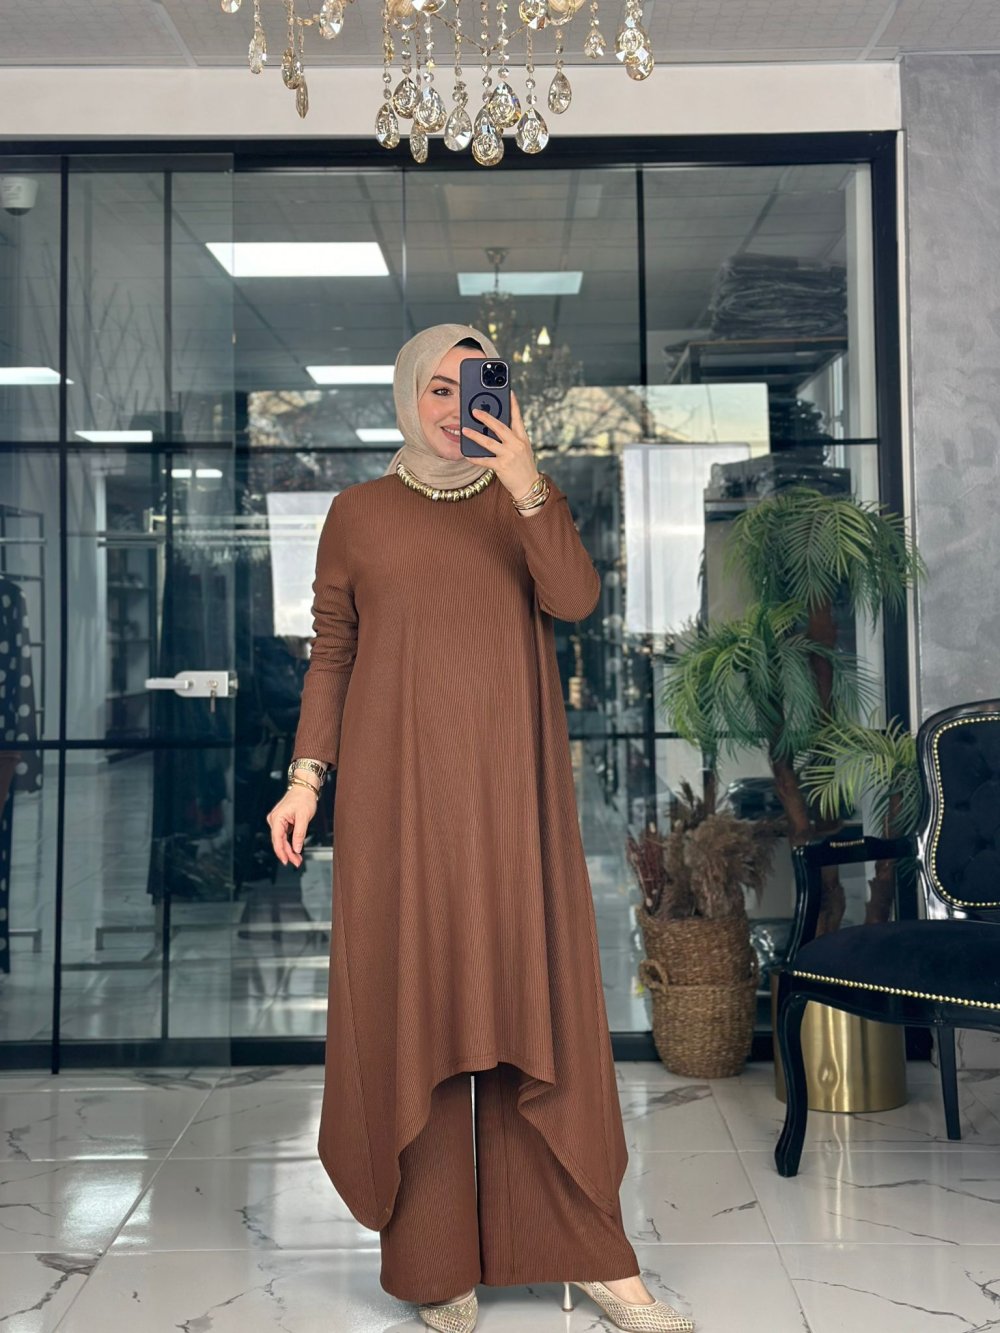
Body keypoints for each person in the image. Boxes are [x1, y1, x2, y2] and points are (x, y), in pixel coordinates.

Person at [266, 323, 695, 1333]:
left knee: (525, 1005)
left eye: (477, 386)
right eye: (438, 389)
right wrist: (305, 780)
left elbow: (577, 599)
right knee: (417, 1005)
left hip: (512, 798)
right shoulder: (357, 513)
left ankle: (589, 1254)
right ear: (407, 396)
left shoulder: (523, 500)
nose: (456, 407)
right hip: (398, 802)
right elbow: (331, 653)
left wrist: (529, 484)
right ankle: (435, 1261)